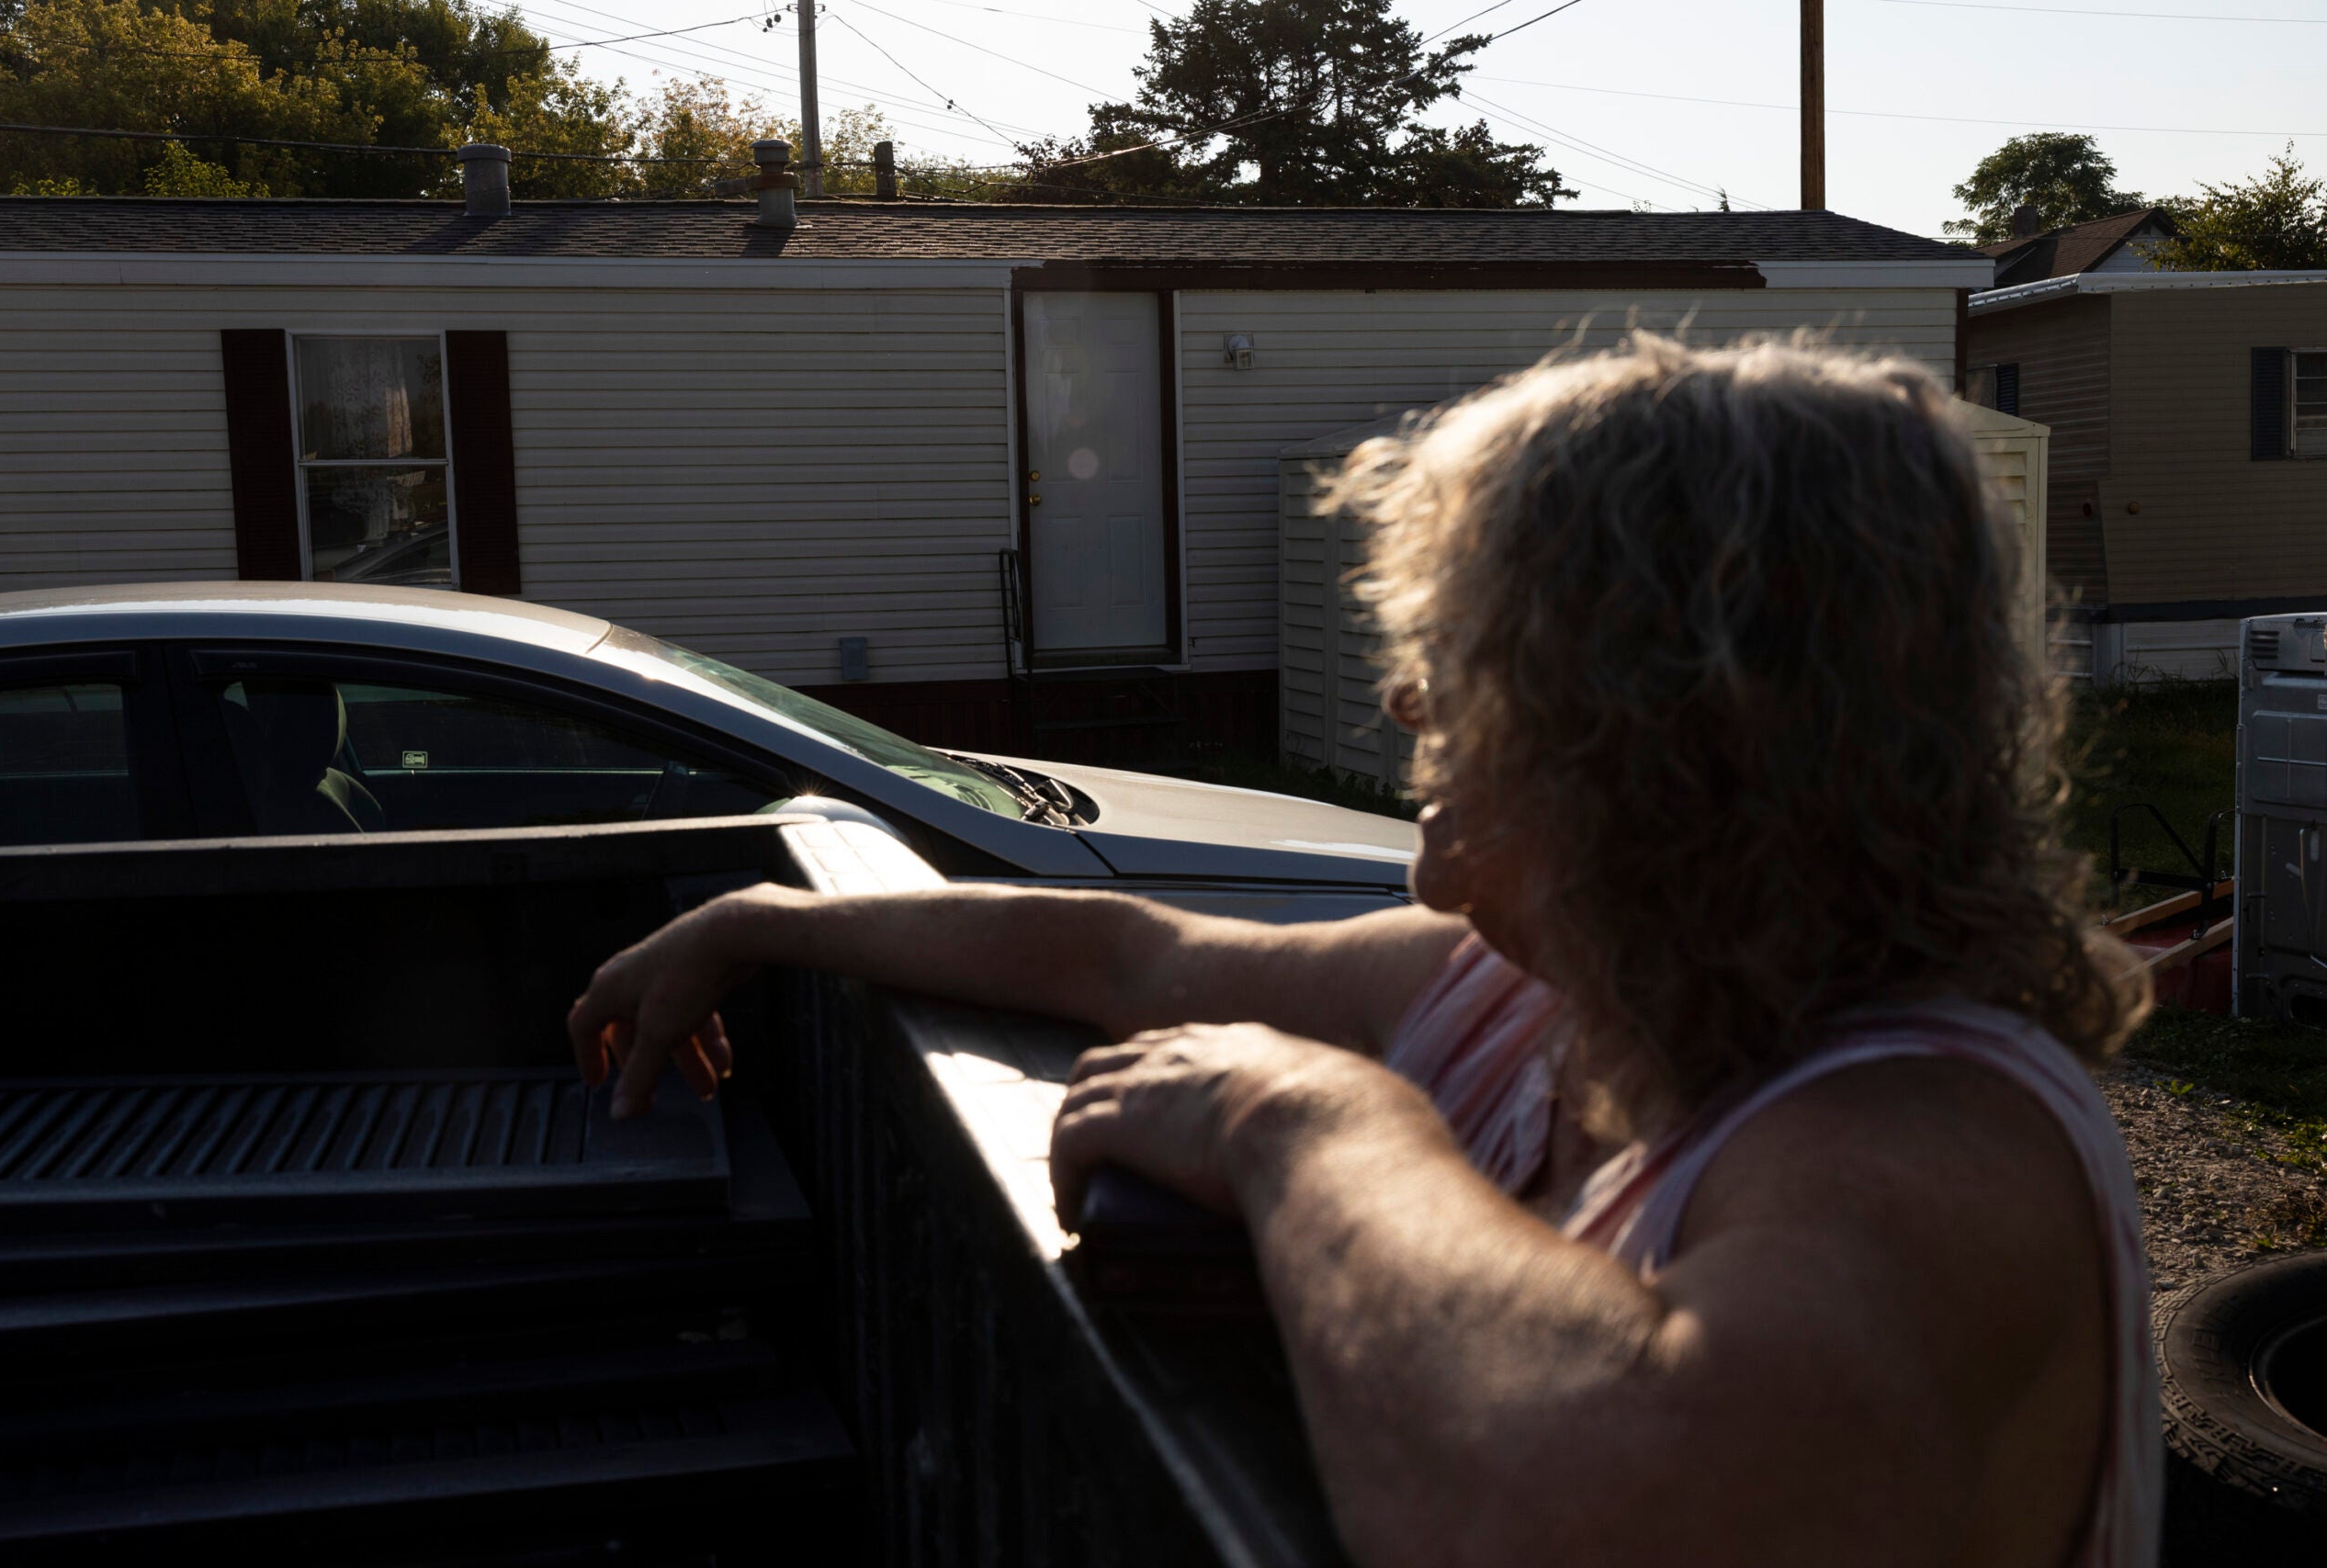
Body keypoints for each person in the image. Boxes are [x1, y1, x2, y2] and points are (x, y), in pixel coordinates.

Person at [568, 334, 2159, 1568]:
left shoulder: (1933, 1146)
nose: (1415, 721)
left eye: (1471, 675)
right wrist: (764, 919)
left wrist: (1302, 1124)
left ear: (1673, 743)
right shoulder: (1543, 1000)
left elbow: (1577, 1516)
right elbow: (1133, 959)